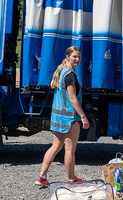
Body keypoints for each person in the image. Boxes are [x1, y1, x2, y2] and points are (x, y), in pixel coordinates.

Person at [36, 47, 89, 187]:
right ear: (67, 57)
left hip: (59, 117)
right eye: (74, 56)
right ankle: (71, 179)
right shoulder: (70, 75)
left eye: (78, 56)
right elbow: (72, 98)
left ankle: (42, 177)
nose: (77, 59)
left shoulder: (62, 71)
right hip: (70, 118)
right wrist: (83, 116)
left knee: (55, 147)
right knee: (70, 149)